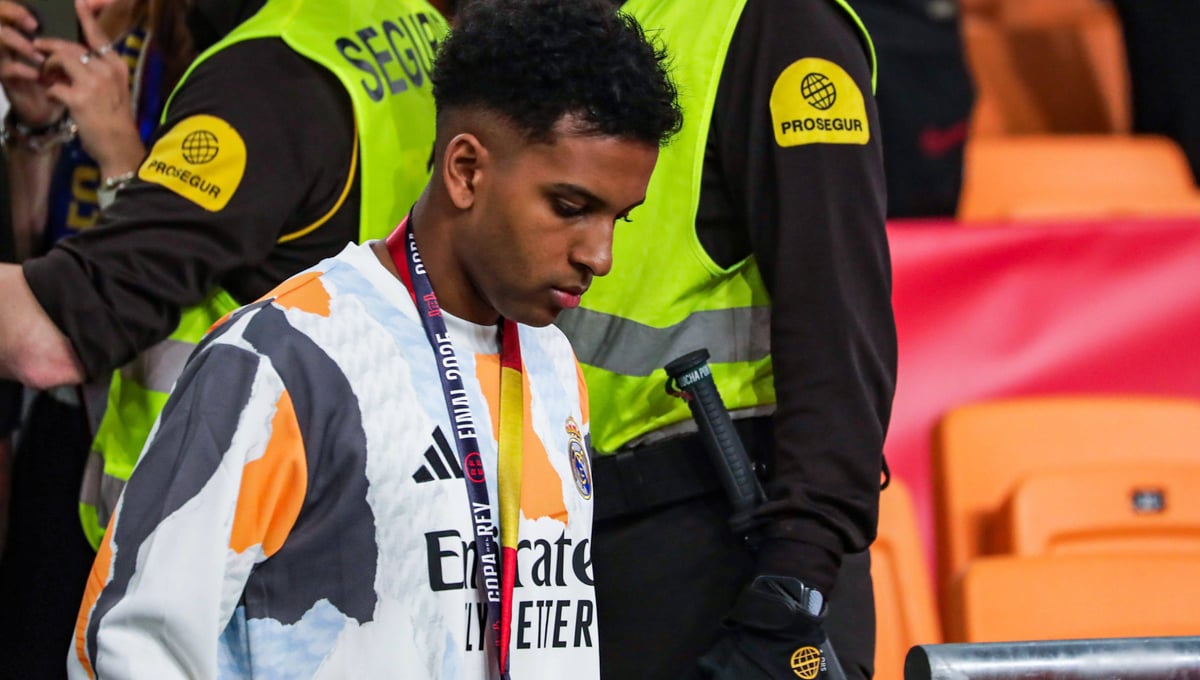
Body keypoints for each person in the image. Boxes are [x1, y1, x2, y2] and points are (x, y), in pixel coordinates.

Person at [69, 0, 680, 676]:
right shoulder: (287, 357)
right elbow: (132, 648)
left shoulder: (552, 362)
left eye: (619, 218)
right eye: (570, 207)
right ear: (466, 170)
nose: (600, 255)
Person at [1, 0, 450, 675]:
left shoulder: (267, 77)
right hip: (353, 510)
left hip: (217, 526)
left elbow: (53, 333)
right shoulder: (411, 25)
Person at [555, 0, 896, 678]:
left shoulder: (784, 26)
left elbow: (839, 329)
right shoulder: (556, 19)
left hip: (733, 545)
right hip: (579, 542)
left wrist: (795, 583)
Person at [0, 1, 194, 675]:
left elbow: (176, 270)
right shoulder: (72, 36)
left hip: (157, 429)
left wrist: (118, 151)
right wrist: (35, 127)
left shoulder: (204, 49)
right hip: (59, 411)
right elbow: (35, 248)